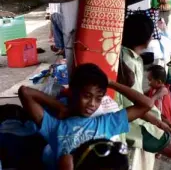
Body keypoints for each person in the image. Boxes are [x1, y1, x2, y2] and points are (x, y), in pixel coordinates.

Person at [18, 63, 155, 169]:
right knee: (66, 160)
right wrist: (59, 106)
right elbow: (25, 92)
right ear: (73, 92)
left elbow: (147, 104)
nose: (92, 104)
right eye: (87, 96)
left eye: (98, 98)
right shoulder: (55, 126)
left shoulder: (105, 123)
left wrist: (112, 83)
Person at [117, 13, 171, 170]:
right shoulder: (128, 63)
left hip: (140, 119)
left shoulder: (130, 57)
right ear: (147, 38)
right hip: (134, 126)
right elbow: (135, 105)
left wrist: (160, 118)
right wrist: (158, 122)